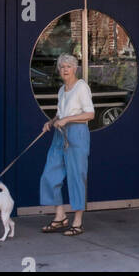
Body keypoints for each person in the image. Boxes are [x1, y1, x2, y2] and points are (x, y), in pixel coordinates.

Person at [39, 53, 94, 235]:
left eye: (68, 67)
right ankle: (60, 216)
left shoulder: (81, 87)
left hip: (77, 134)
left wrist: (67, 119)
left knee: (76, 177)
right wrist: (51, 121)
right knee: (50, 174)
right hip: (60, 134)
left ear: (75, 69)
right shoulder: (62, 89)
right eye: (62, 67)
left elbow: (90, 114)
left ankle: (77, 221)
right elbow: (60, 113)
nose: (65, 70)